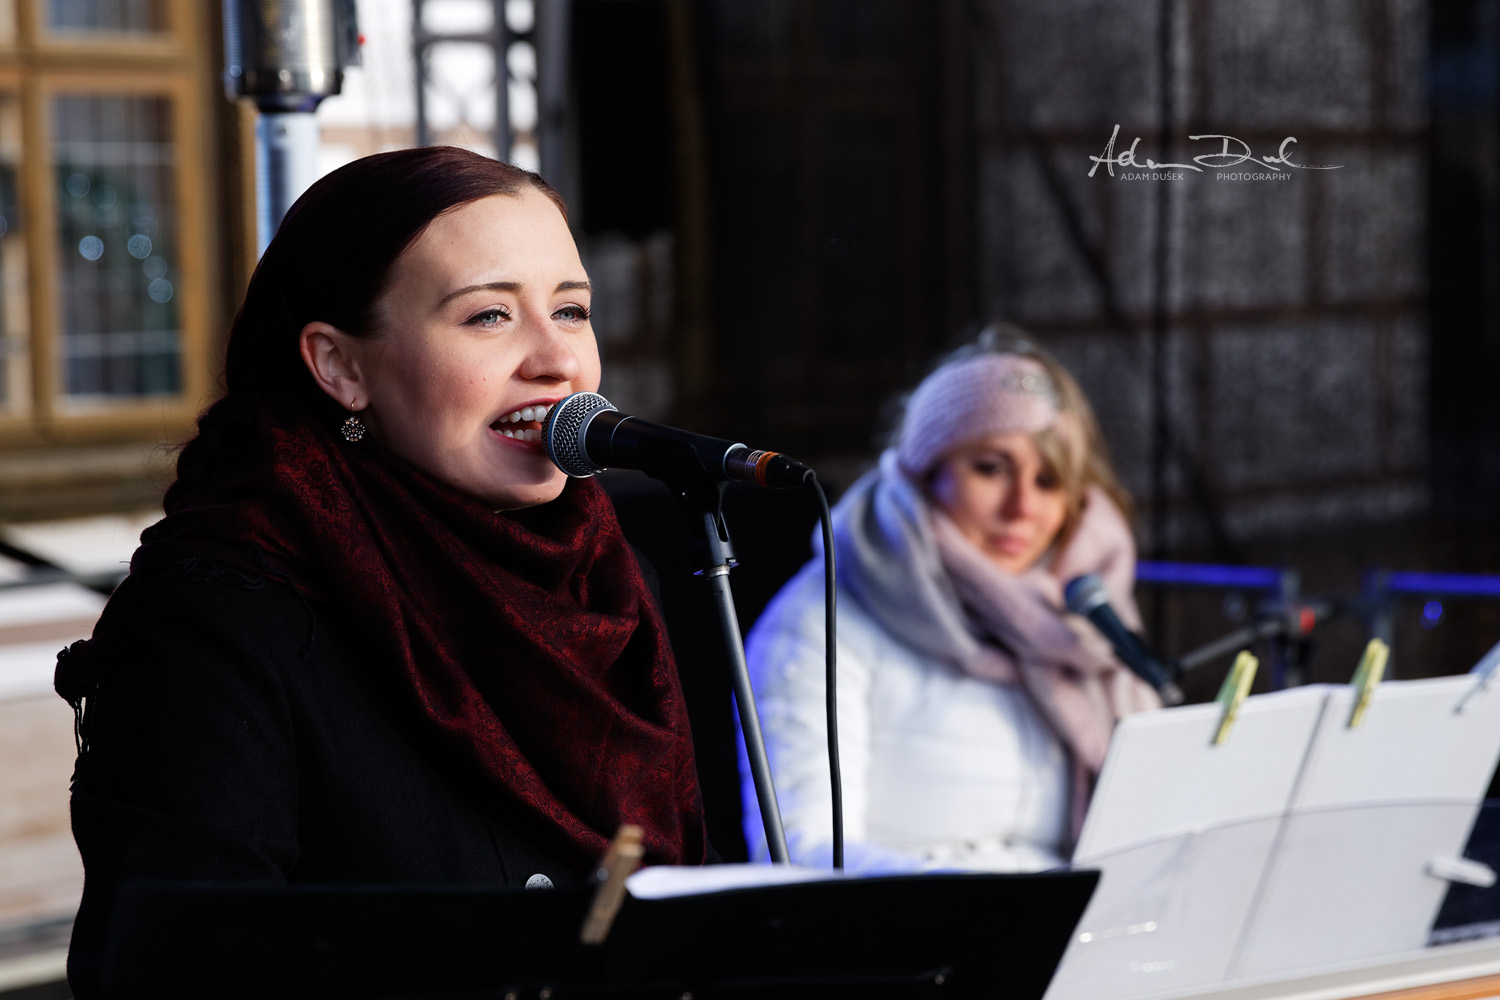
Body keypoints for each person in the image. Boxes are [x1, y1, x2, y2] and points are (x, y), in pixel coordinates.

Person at [54, 146, 707, 996]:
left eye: (572, 310)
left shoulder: (608, 581)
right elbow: (173, 969)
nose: (557, 359)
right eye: (488, 316)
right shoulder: (217, 619)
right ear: (341, 367)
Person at [741, 329, 1160, 873]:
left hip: (1073, 918)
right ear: (924, 472)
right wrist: (994, 903)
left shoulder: (1080, 630)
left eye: (1049, 480)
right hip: (910, 924)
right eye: (991, 468)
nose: (1023, 507)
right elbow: (801, 849)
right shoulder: (820, 619)